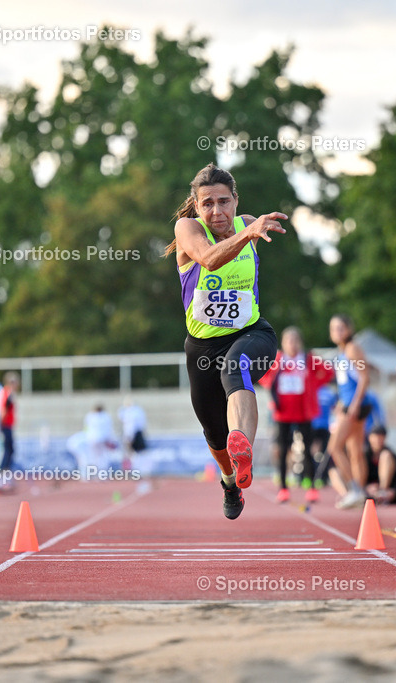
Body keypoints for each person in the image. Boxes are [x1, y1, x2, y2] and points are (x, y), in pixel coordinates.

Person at [167, 163, 285, 520]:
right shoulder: (188, 229)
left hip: (252, 334)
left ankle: (243, 445)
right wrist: (247, 234)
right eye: (208, 204)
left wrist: (249, 231)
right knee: (213, 436)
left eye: (223, 202)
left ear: (236, 201)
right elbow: (209, 260)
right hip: (203, 347)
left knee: (237, 369)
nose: (216, 211)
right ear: (196, 205)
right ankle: (230, 480)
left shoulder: (247, 223)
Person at [258, 326, 334, 504]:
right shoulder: (277, 359)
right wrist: (270, 385)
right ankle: (283, 488)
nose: (292, 344)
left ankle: (312, 487)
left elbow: (328, 372)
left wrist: (314, 384)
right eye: (288, 340)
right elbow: (261, 374)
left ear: (300, 342)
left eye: (295, 340)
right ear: (283, 343)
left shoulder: (308, 358)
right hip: (282, 413)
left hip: (303, 412)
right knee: (284, 450)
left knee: (308, 450)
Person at [327, 314, 373, 509]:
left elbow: (364, 377)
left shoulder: (352, 348)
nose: (337, 332)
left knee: (334, 447)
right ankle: (360, 493)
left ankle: (354, 489)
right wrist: (340, 403)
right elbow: (347, 381)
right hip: (348, 405)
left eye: (340, 328)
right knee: (355, 452)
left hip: (355, 406)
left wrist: (354, 404)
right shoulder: (341, 353)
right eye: (333, 328)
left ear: (349, 329)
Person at [364, 425, 396, 505]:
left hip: (388, 491)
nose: (378, 440)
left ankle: (382, 492)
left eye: (381, 437)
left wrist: (394, 491)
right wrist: (367, 487)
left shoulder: (390, 454)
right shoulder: (365, 455)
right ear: (370, 438)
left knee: (385, 455)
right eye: (375, 437)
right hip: (369, 491)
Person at [0, 372, 20, 473]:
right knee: (9, 449)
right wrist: (1, 423)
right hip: (6, 424)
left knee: (9, 449)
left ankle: (5, 472)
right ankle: (3, 472)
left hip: (7, 424)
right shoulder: (7, 392)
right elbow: (4, 408)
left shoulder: (7, 392)